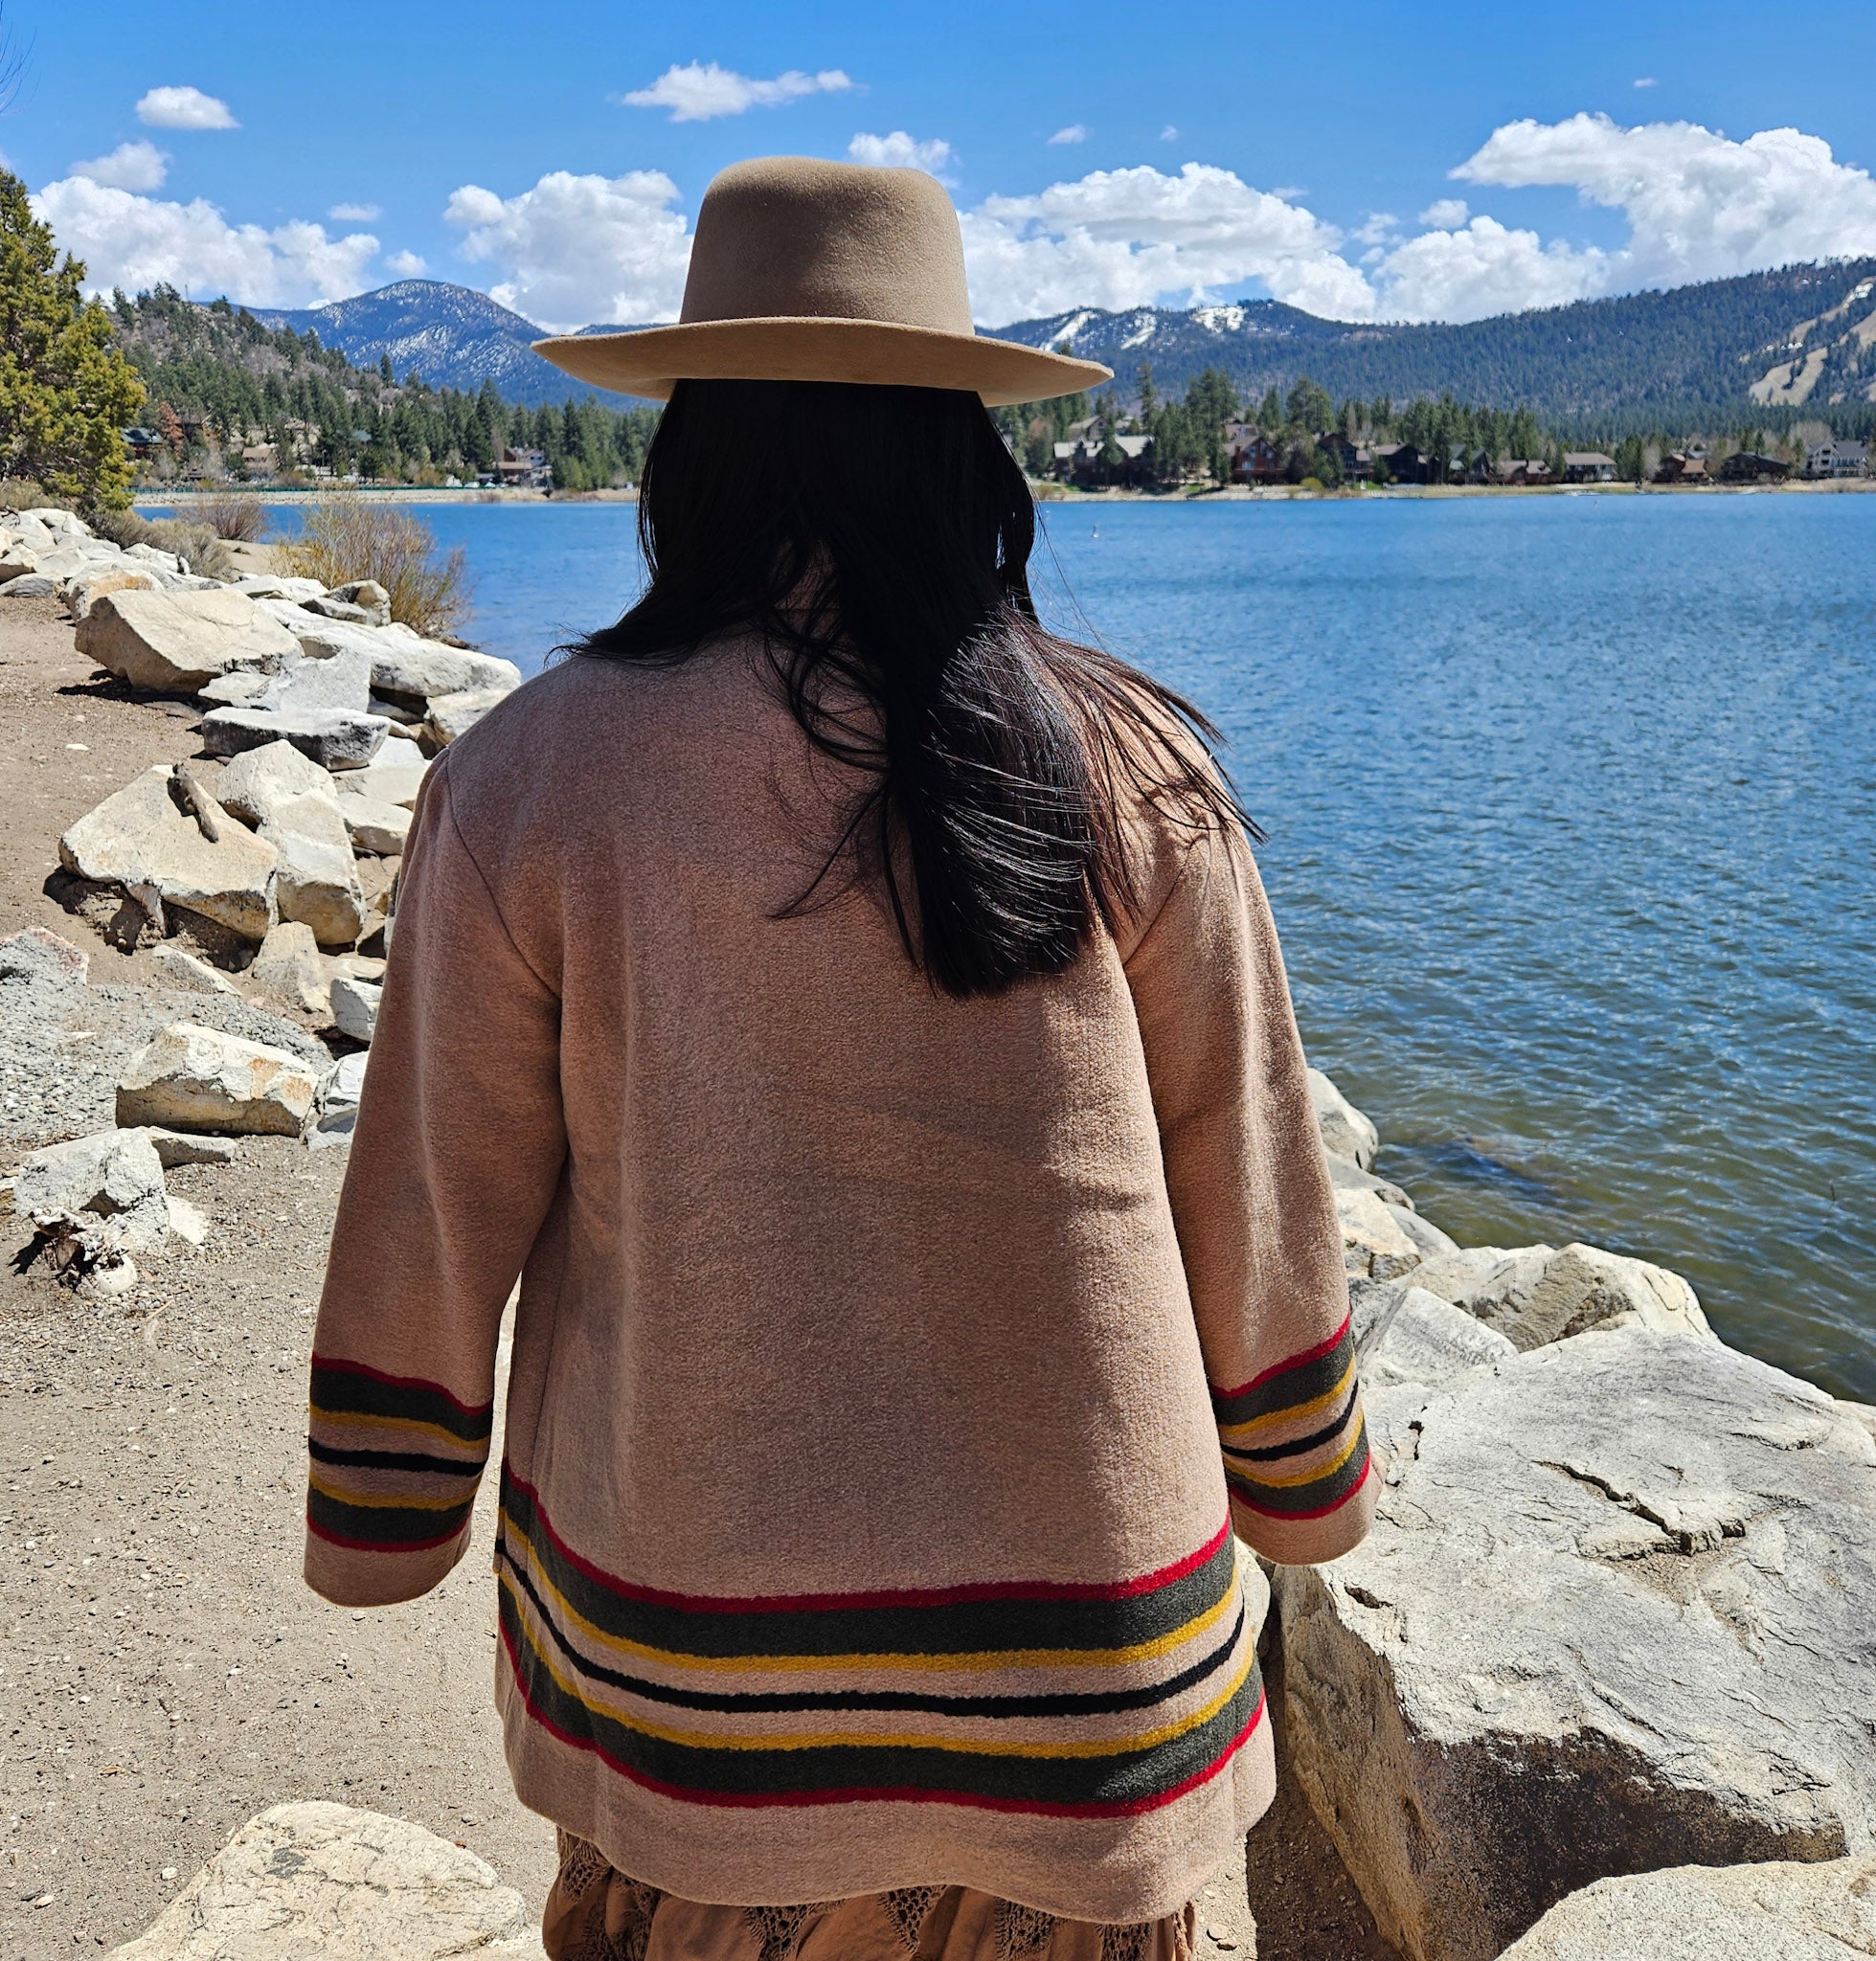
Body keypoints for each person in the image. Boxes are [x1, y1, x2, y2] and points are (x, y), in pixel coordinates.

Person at [304, 156, 1376, 1961]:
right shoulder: (1132, 768)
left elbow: (438, 1184)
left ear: (687, 456)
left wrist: (384, 1508)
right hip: (1097, 1690)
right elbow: (1249, 1173)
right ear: (975, 455)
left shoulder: (534, 776)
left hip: (696, 1670)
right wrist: (1301, 1477)